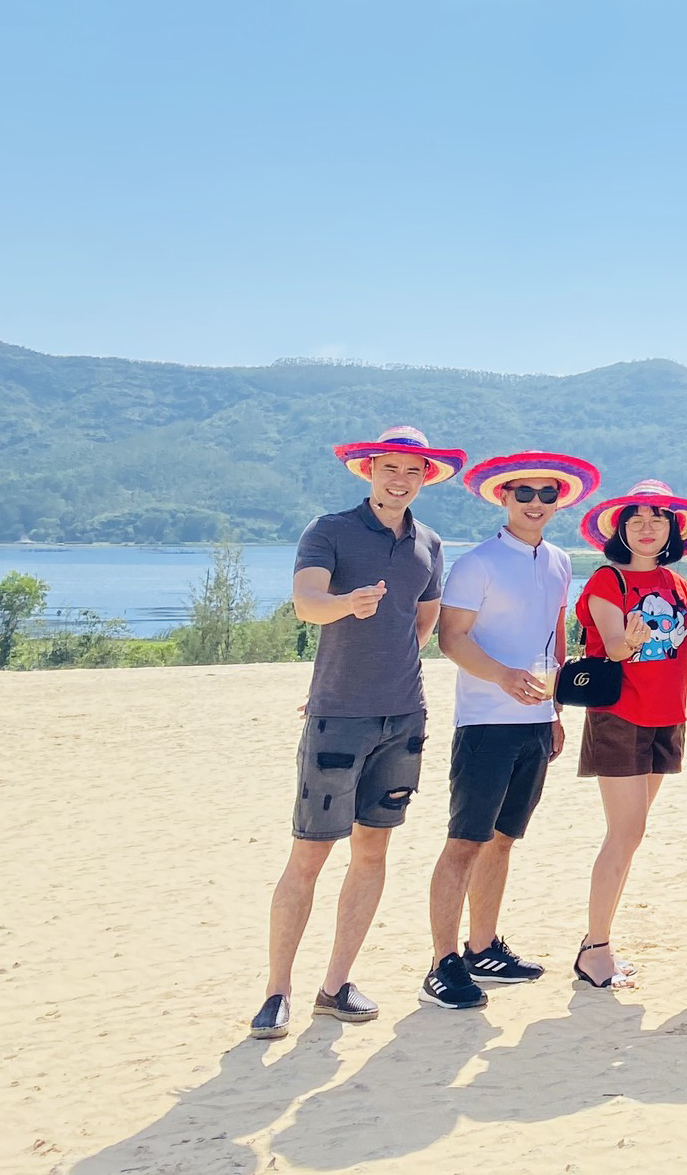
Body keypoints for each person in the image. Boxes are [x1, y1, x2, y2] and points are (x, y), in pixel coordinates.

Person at [252, 426, 464, 1039]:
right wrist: (348, 604)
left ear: (426, 478)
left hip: (404, 718)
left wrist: (386, 666)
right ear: (369, 470)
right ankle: (276, 992)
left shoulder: (429, 543)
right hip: (338, 716)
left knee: (373, 853)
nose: (400, 480)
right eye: (390, 468)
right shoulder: (329, 530)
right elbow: (307, 603)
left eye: (413, 471)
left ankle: (336, 985)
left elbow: (422, 623)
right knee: (309, 854)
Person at [420, 448, 589, 1012]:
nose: (536, 503)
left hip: (536, 723)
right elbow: (451, 639)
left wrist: (556, 711)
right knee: (465, 842)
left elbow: (555, 637)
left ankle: (483, 948)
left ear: (559, 501)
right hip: (484, 723)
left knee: (503, 840)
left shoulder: (560, 561)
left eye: (548, 494)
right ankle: (443, 963)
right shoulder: (478, 563)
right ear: (504, 496)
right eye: (525, 493)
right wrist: (502, 677)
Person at [568, 478, 687, 987]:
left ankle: (598, 942)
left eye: (658, 520)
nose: (648, 528)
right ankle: (595, 948)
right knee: (624, 832)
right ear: (620, 529)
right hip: (621, 715)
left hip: (668, 715)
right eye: (637, 520)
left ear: (672, 529)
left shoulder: (677, 584)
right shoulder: (608, 579)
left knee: (634, 833)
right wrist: (628, 639)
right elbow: (614, 647)